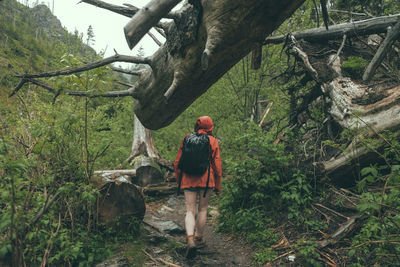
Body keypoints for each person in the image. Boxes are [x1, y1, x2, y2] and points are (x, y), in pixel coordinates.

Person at [174, 116, 222, 258]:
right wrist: (218, 185)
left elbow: (177, 162)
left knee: (190, 210)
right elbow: (217, 167)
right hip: (206, 180)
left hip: (188, 179)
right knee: (202, 209)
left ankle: (190, 238)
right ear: (210, 128)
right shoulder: (213, 141)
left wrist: (179, 181)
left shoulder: (186, 138)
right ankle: (199, 238)